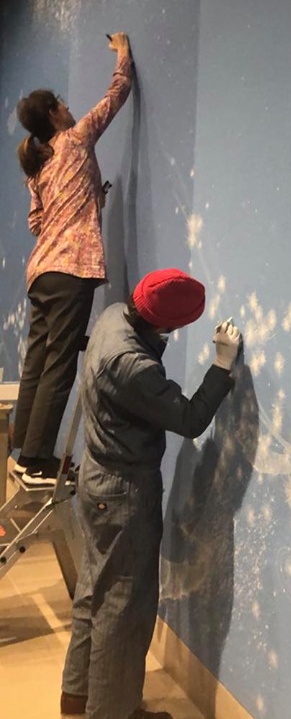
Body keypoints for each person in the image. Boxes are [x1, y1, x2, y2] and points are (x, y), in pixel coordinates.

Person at [61, 267, 241, 719]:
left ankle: (78, 693)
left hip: (97, 480)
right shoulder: (134, 366)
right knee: (125, 602)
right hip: (124, 492)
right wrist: (221, 366)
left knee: (95, 587)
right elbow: (189, 418)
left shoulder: (112, 320)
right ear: (167, 324)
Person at [12, 33, 133, 486]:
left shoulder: (39, 169)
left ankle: (23, 453)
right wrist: (122, 52)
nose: (68, 108)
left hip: (41, 272)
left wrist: (84, 201)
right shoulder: (76, 139)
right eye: (61, 104)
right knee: (59, 363)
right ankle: (37, 462)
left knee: (37, 361)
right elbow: (116, 94)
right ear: (53, 113)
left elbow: (36, 223)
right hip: (69, 270)